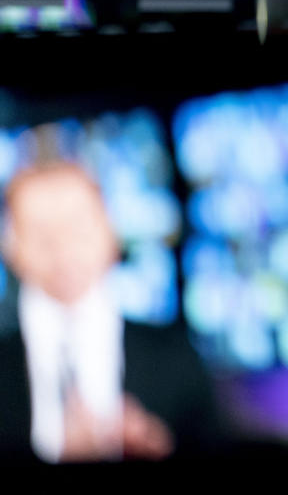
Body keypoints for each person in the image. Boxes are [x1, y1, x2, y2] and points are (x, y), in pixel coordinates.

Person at [0, 157, 221, 464]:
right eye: (40, 231)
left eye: (76, 225)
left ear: (109, 230)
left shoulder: (176, 355)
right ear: (11, 246)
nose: (62, 247)